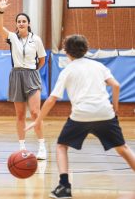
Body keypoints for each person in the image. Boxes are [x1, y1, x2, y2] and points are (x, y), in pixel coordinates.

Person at [26, 34, 135, 198]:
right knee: (123, 148)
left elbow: (51, 99)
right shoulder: (98, 66)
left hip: (81, 115)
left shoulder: (67, 70)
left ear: (66, 51)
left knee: (61, 146)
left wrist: (37, 121)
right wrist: (115, 109)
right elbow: (116, 85)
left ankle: (64, 187)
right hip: (105, 113)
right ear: (86, 49)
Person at [0, 0, 47, 160]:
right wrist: (1, 10)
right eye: (19, 21)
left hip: (32, 75)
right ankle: (22, 147)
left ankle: (42, 146)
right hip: (16, 75)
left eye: (24, 21)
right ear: (16, 24)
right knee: (19, 115)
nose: (21, 23)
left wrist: (33, 71)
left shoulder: (36, 39)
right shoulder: (12, 37)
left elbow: (42, 60)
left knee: (34, 112)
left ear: (29, 23)